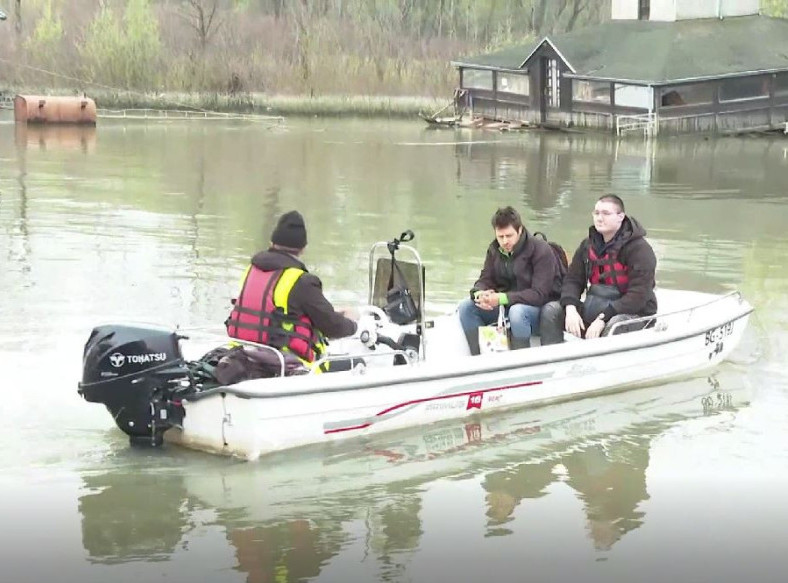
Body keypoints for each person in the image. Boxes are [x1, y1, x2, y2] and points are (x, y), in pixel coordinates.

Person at [225, 210, 363, 370]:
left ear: (271, 243)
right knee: (359, 364)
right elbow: (332, 327)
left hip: (243, 356)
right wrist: (354, 324)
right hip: (287, 366)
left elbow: (279, 312)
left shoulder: (251, 271)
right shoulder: (302, 281)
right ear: (303, 248)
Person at [540, 195, 657, 344]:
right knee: (551, 310)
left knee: (616, 324)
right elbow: (572, 280)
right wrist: (571, 308)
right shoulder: (587, 246)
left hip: (631, 315)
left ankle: (605, 363)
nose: (599, 218)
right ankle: (552, 357)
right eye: (596, 213)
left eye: (606, 214)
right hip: (593, 311)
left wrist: (603, 318)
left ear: (621, 216)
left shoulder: (640, 250)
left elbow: (639, 295)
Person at [458, 206, 561, 354]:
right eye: (500, 237)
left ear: (519, 230)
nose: (505, 241)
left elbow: (539, 294)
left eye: (509, 236)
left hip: (535, 310)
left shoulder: (540, 249)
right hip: (505, 306)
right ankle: (480, 360)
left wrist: (501, 298)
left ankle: (520, 362)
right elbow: (485, 278)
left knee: (517, 312)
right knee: (467, 307)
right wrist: (479, 294)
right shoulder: (494, 250)